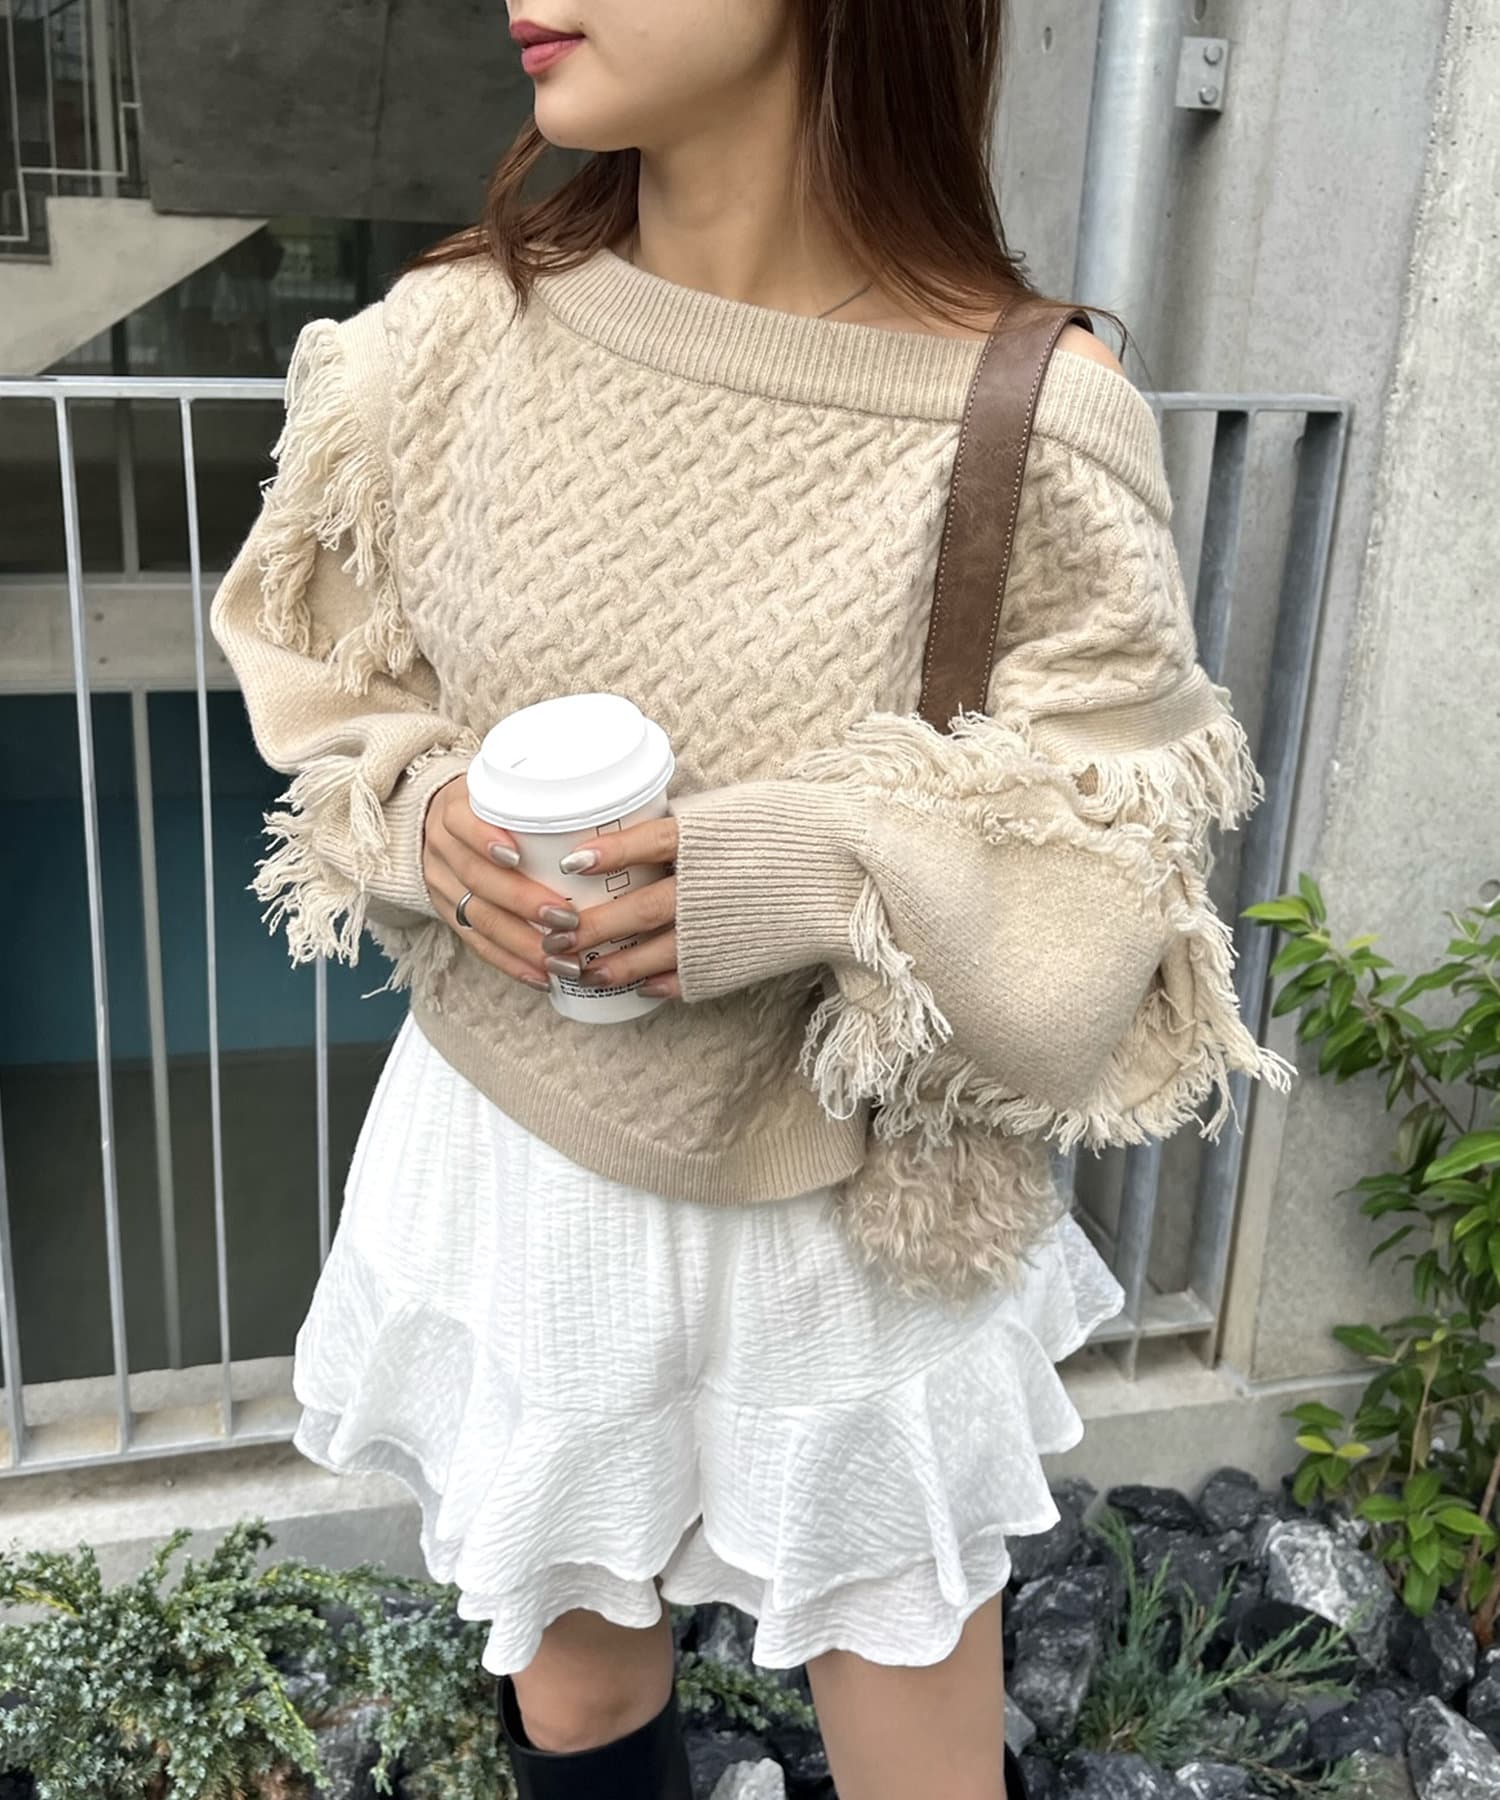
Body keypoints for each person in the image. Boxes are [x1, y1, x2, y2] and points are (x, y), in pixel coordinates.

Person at [210, 3, 1292, 1796]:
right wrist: (420, 809)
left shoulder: (1031, 414)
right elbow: (325, 660)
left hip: (841, 1203)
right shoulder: (446, 343)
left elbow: (1105, 874)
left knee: (915, 1731)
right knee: (574, 1704)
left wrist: (811, 871)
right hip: (519, 1143)